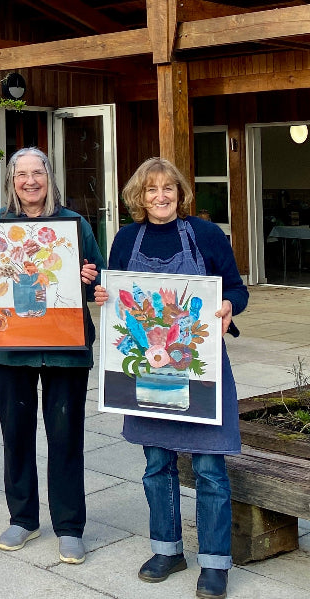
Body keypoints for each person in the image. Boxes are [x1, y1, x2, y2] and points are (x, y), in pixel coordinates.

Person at [94, 157, 247, 599]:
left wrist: (228, 307)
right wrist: (101, 294)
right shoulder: (126, 239)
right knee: (156, 463)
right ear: (138, 198)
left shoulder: (205, 235)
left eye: (168, 189)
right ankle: (167, 549)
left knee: (209, 465)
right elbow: (113, 292)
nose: (160, 197)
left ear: (180, 194)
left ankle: (215, 563)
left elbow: (236, 287)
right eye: (151, 190)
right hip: (145, 368)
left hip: (199, 368)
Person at [0, 147, 104, 564]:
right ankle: (23, 518)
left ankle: (70, 526)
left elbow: (101, 280)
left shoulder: (74, 225)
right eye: (20, 174)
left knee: (65, 439)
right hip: (11, 352)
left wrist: (91, 277)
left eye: (36, 172)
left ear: (49, 176)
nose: (29, 181)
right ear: (11, 181)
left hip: (65, 351)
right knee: (16, 437)